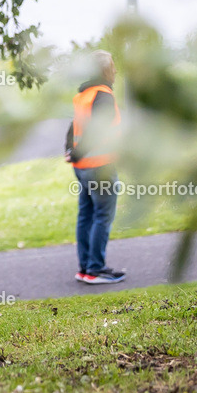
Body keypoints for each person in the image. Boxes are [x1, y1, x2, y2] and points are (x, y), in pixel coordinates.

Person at [65, 50, 126, 285]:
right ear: (105, 70)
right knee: (102, 216)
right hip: (100, 166)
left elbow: (74, 125)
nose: (116, 70)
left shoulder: (83, 94)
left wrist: (70, 151)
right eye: (113, 65)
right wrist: (78, 151)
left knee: (87, 215)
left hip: (82, 167)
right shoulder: (103, 94)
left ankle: (85, 268)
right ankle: (96, 269)